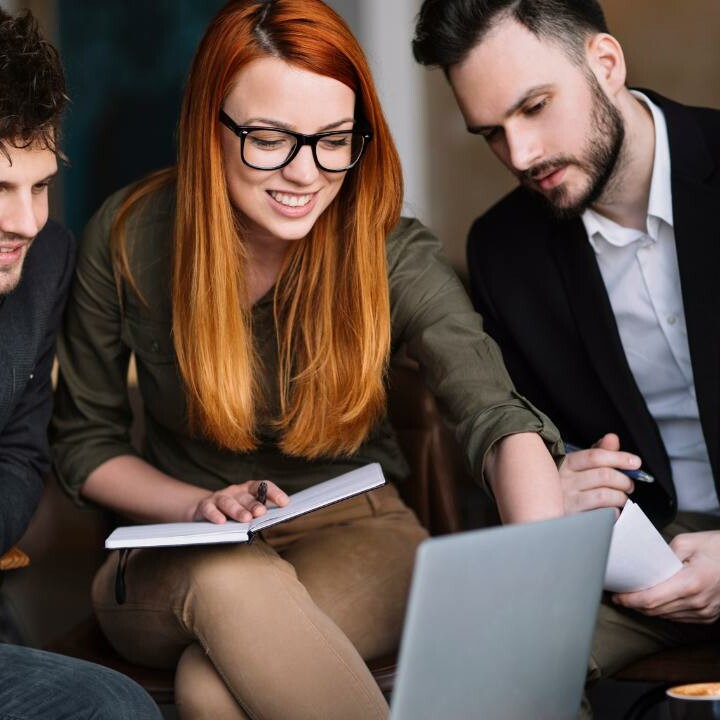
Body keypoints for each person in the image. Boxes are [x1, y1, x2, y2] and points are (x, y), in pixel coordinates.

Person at [51, 1, 565, 717]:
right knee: (228, 578)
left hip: (360, 531)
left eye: (332, 140)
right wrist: (197, 505)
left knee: (211, 688)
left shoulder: (387, 246)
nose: (306, 174)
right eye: (268, 138)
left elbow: (490, 408)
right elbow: (85, 443)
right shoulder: (130, 235)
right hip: (179, 550)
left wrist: (544, 588)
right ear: (209, 127)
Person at [413, 0, 720, 700]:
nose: (519, 156)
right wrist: (559, 478)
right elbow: (526, 434)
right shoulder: (503, 249)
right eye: (491, 132)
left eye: (535, 107)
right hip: (644, 561)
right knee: (488, 666)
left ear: (605, 64)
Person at [0, 8, 163, 720]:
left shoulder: (44, 265)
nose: (29, 221)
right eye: (1, 190)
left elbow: (20, 454)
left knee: (115, 707)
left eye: (40, 185)